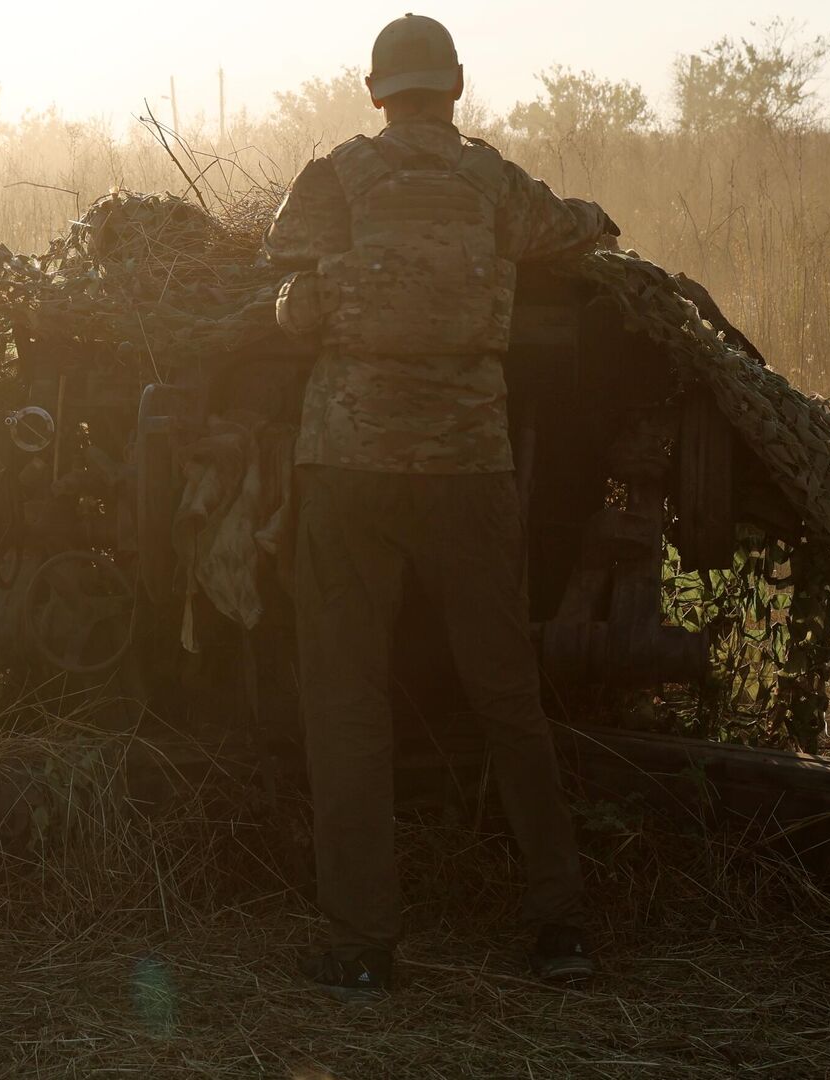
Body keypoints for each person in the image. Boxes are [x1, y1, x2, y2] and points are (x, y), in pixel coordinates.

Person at [264, 14, 619, 993]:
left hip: (347, 465)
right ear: (454, 85)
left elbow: (278, 263)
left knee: (345, 701)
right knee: (508, 695)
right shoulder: (495, 182)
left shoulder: (334, 175)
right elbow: (583, 228)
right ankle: (559, 931)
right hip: (469, 466)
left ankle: (363, 944)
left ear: (375, 90)